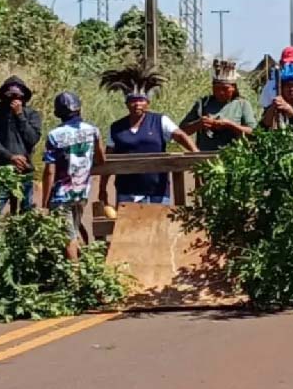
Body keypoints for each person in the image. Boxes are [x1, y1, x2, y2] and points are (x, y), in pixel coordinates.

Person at [101, 78, 198, 206]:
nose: (137, 104)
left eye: (141, 100)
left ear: (148, 103)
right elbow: (108, 157)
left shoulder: (160, 121)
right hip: (126, 191)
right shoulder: (116, 128)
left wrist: (196, 154)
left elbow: (180, 136)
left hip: (157, 191)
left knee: (159, 225)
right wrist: (102, 188)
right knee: (128, 226)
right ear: (126, 104)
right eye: (132, 101)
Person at [41, 92, 105, 260]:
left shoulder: (55, 135)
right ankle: (87, 266)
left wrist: (44, 202)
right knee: (74, 230)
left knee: (67, 238)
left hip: (62, 194)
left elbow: (49, 171)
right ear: (79, 109)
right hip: (82, 191)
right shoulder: (93, 130)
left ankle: (74, 278)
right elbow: (101, 158)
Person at [0, 76, 42, 213]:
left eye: (18, 95)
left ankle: (21, 235)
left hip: (24, 170)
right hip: (0, 170)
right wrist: (10, 157)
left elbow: (32, 139)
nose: (14, 98)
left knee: (25, 213)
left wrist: (20, 115)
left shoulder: (31, 114)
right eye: (10, 94)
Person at [180, 59, 256, 152]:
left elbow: (253, 133)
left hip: (234, 157)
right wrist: (199, 124)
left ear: (233, 88)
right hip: (205, 157)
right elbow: (181, 132)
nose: (220, 92)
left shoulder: (242, 104)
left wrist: (230, 125)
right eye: (216, 88)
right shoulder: (203, 103)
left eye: (225, 89)